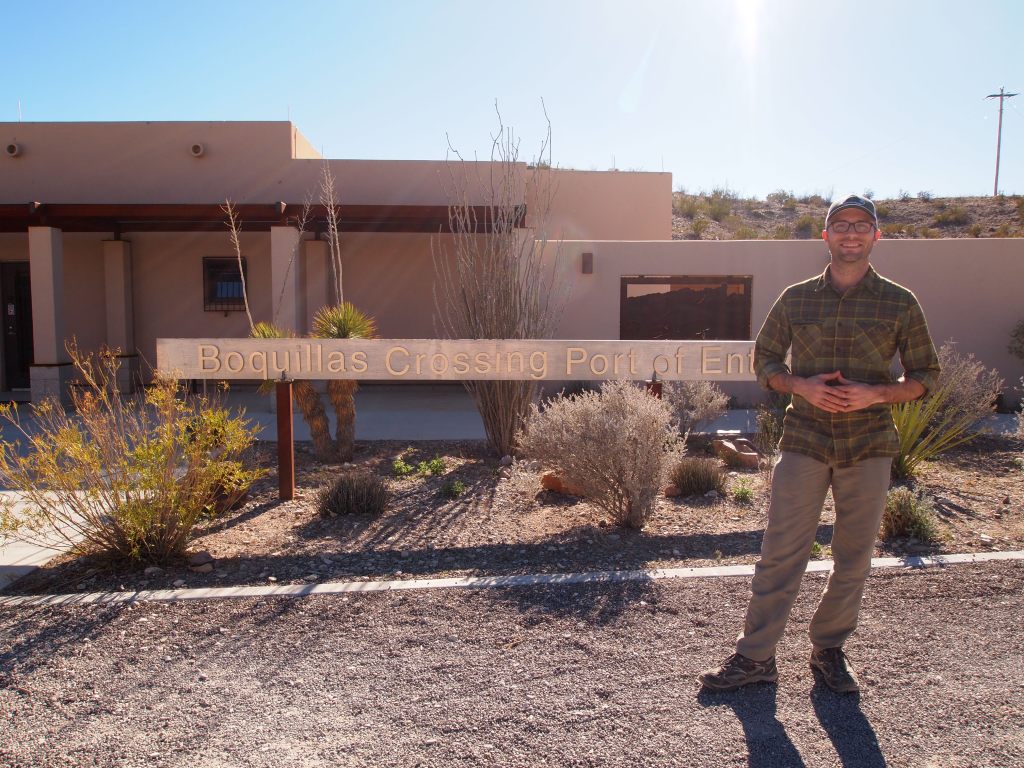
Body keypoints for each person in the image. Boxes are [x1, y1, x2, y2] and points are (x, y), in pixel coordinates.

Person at [699, 194, 940, 694]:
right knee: (781, 551)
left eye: (861, 225)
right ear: (825, 236)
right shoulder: (796, 298)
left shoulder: (900, 302)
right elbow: (764, 361)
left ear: (877, 236)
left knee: (853, 555)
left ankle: (829, 649)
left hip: (869, 444)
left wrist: (877, 393)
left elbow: (925, 376)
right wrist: (800, 385)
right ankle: (755, 657)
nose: (850, 233)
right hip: (805, 439)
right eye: (840, 225)